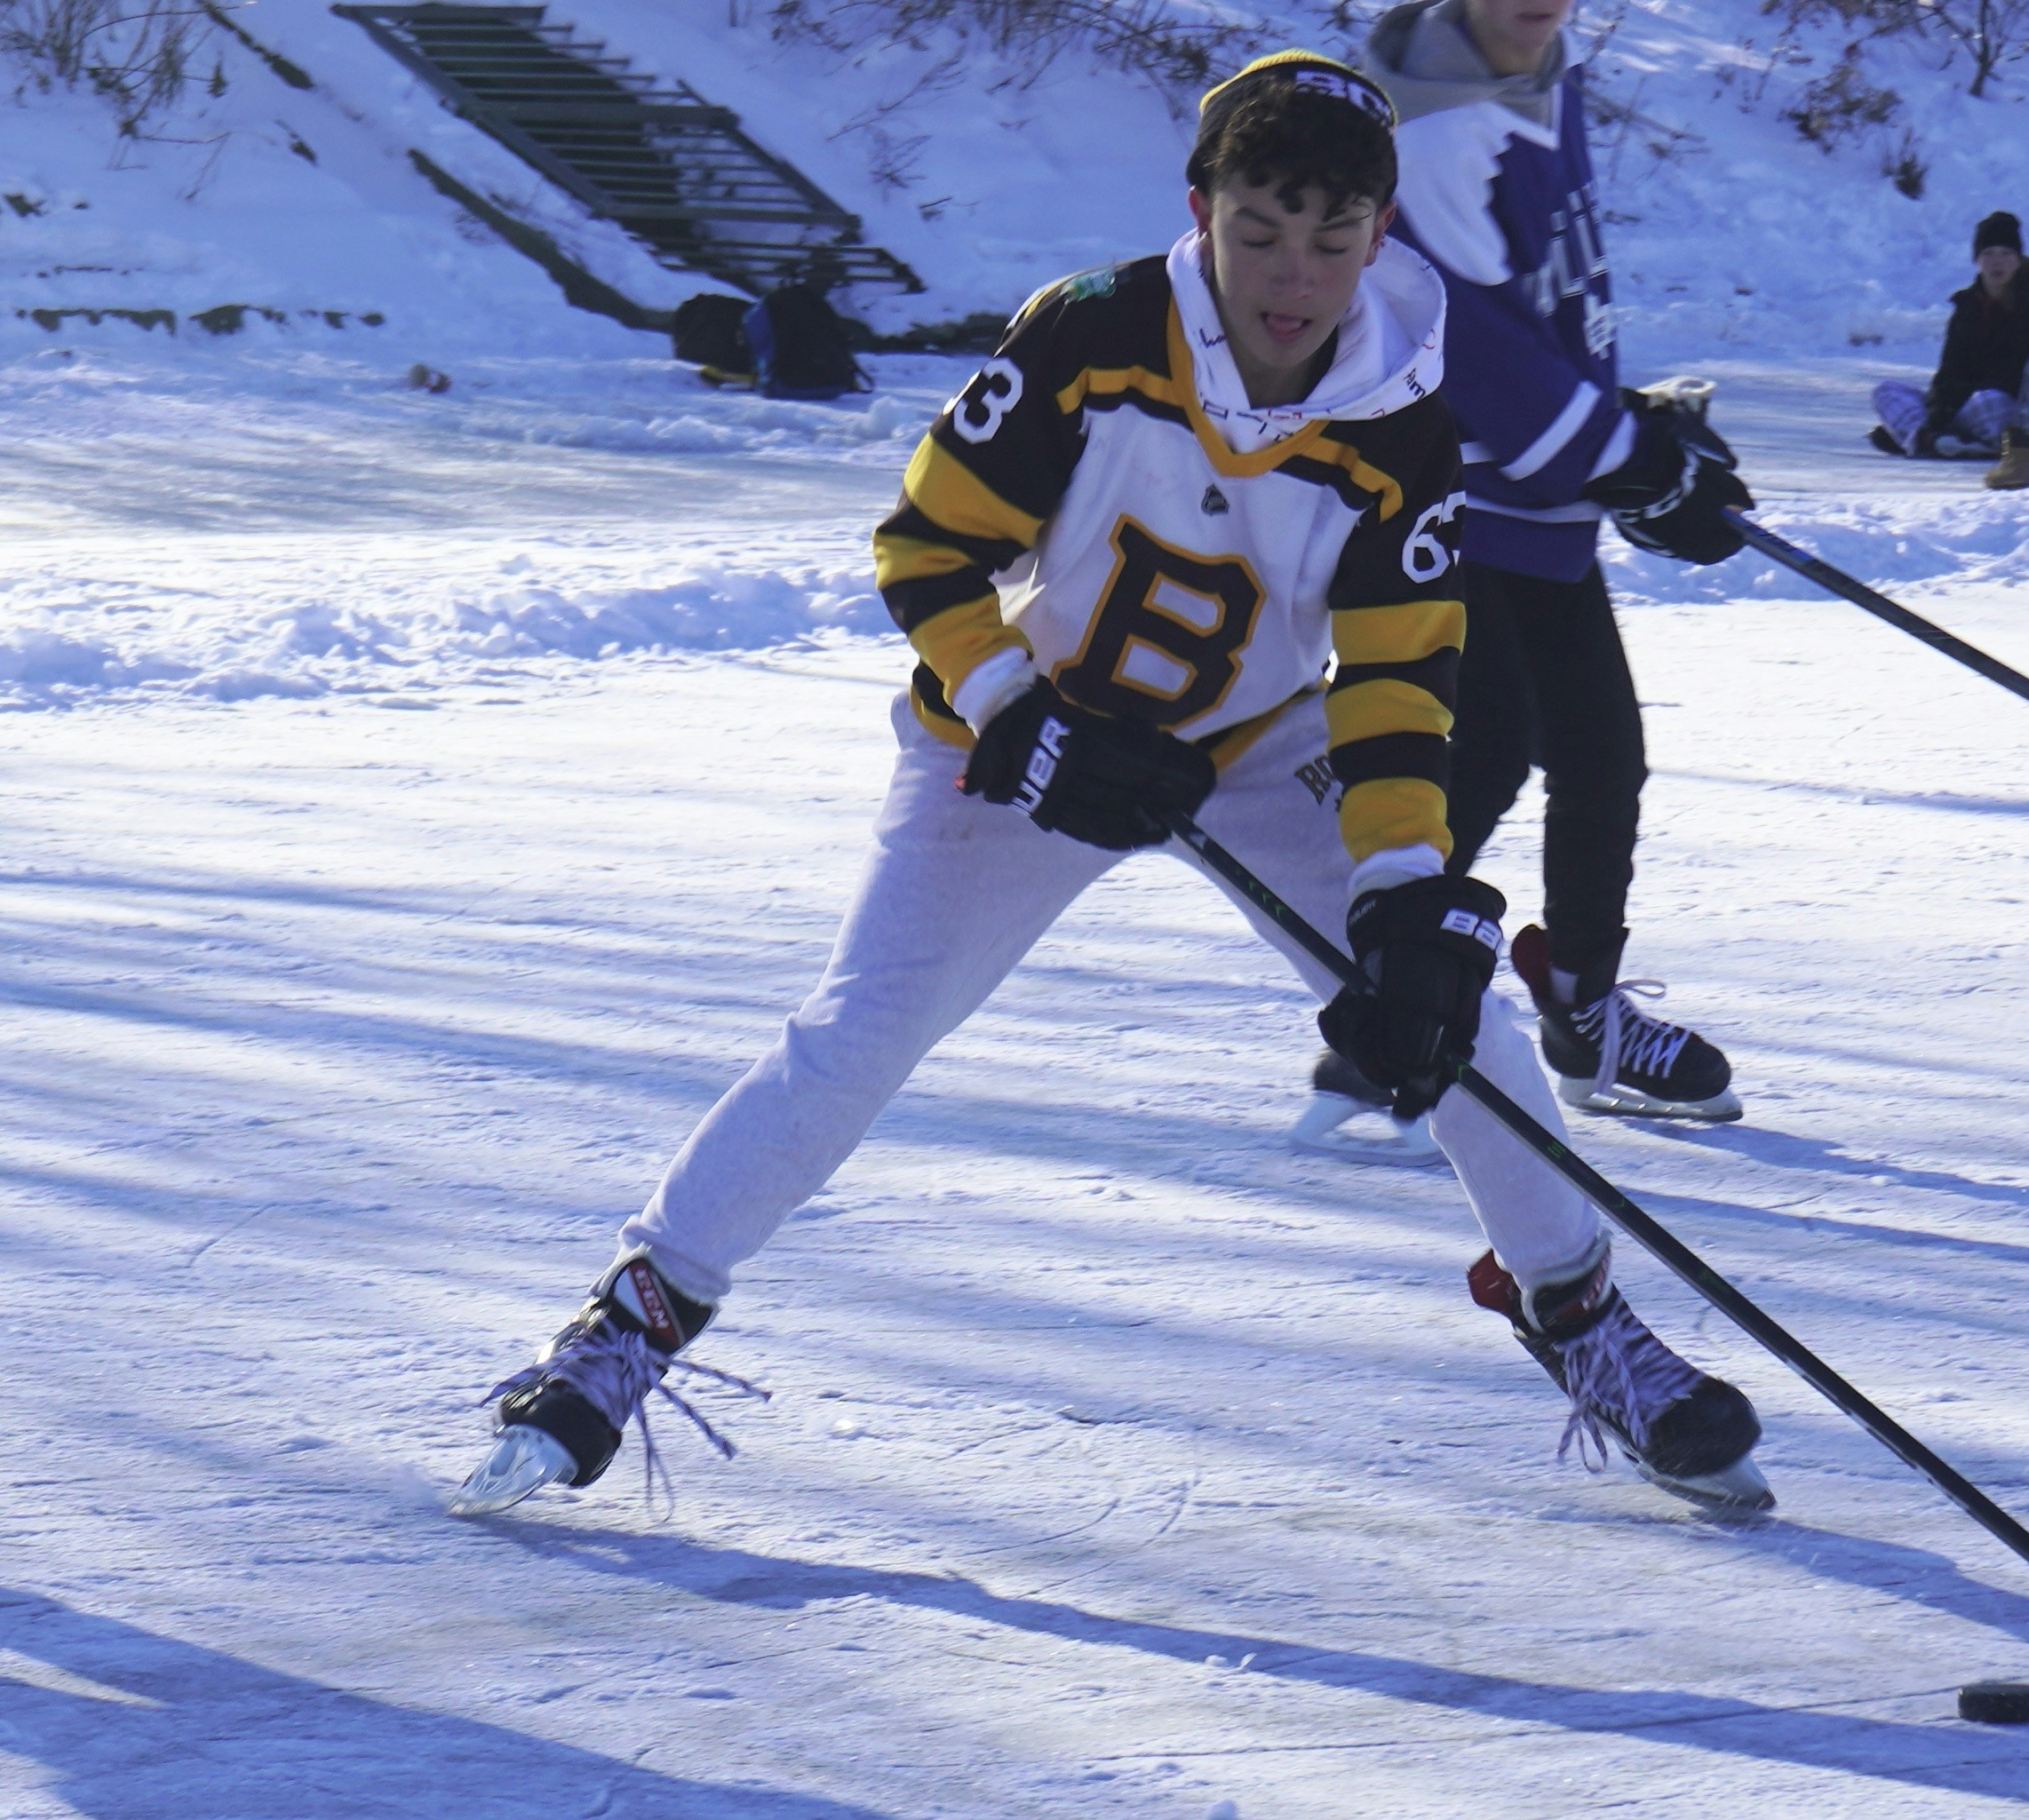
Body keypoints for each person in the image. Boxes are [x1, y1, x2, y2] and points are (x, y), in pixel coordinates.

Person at [450, 52, 1770, 1522]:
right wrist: (1014, 707)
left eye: (1332, 238)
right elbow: (924, 548)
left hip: (1260, 745)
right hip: (1020, 730)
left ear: (1380, 234)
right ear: (1200, 210)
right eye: (1259, 231)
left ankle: (1576, 1313)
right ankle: (631, 1320)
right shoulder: (1090, 332)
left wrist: (1404, 887)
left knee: (1459, 1020)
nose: (1293, 277)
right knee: (861, 1028)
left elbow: (1401, 677)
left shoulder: (1403, 409)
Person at [1357, 0, 1751, 1132]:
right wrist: (1627, 459)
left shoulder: (1544, 68)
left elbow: (1545, 307)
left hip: (1535, 496)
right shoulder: (1438, 131)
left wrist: (1633, 433)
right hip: (1455, 495)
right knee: (1480, 755)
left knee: (1599, 753)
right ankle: (1380, 1014)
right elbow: (1476, 352)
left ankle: (1581, 1013)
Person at [1869, 211, 2029, 489]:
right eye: (1988, 254)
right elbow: (1949, 373)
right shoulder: (1967, 308)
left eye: (2005, 253)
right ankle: (1932, 439)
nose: (1997, 262)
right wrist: (1940, 413)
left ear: (2018, 258)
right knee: (1886, 392)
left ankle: (1948, 441)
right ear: (1977, 260)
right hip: (1961, 406)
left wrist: (1977, 390)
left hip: (2007, 407)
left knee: (1989, 402)